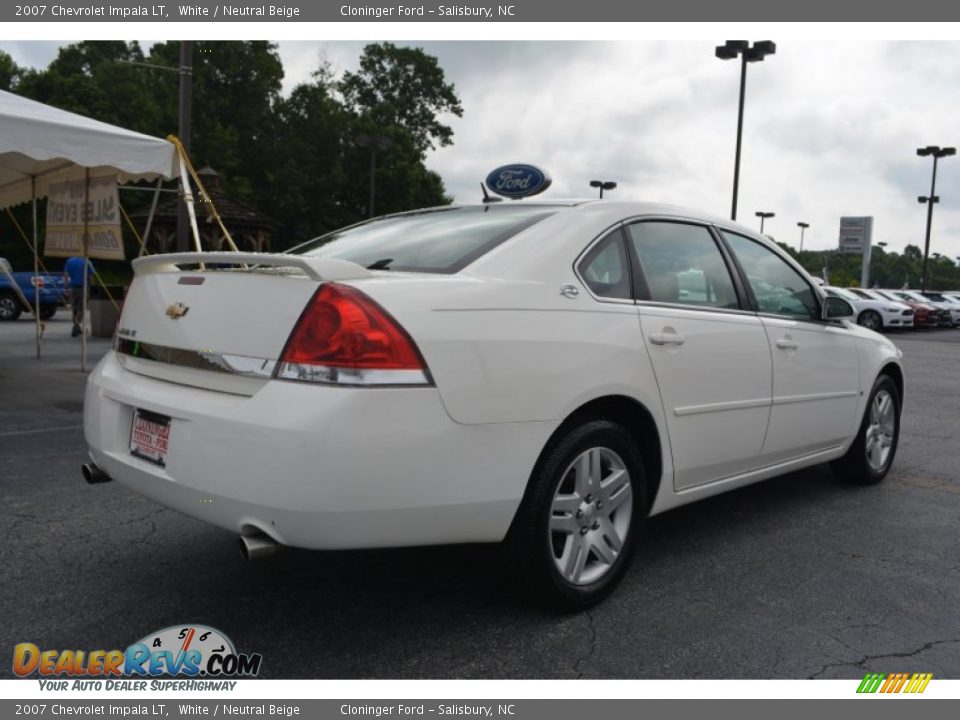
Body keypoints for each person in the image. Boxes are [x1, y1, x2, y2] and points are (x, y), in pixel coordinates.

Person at [64, 255, 94, 337]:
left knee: (74, 307)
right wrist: (91, 286)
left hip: (73, 288)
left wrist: (66, 287)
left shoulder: (70, 261)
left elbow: (66, 274)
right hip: (83, 287)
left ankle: (76, 325)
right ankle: (76, 326)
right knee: (81, 307)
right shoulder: (87, 261)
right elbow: (91, 276)